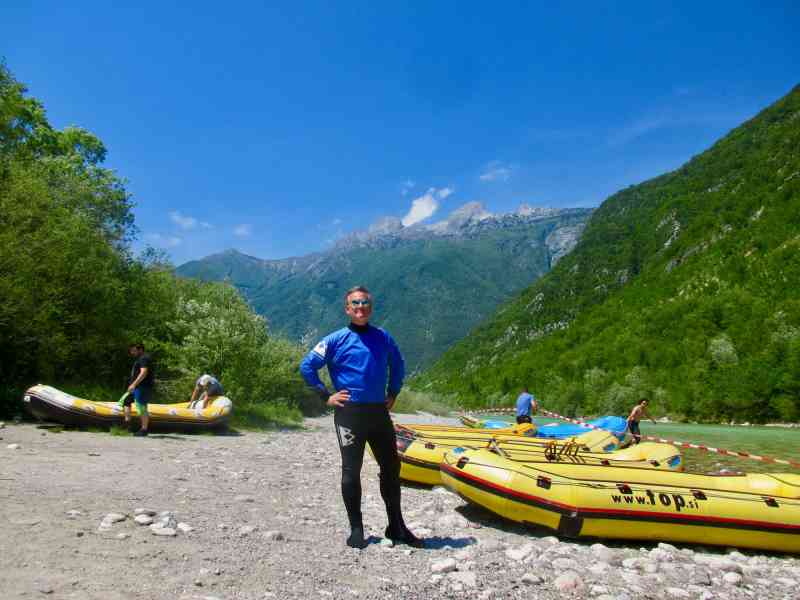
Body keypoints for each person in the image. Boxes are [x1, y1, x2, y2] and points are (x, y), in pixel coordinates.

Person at [300, 286, 423, 550]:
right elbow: (307, 366)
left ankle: (396, 526)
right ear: (347, 308)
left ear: (370, 306)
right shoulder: (335, 339)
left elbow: (398, 363)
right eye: (355, 303)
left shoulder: (383, 337)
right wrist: (325, 396)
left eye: (365, 302)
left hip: (379, 412)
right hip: (350, 414)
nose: (360, 307)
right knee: (350, 471)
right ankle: (357, 529)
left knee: (391, 469)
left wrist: (394, 391)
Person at [125, 343, 154, 436]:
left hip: (142, 387)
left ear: (140, 350)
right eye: (131, 351)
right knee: (127, 401)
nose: (132, 352)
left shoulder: (144, 358)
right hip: (137, 387)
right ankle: (128, 426)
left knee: (142, 406)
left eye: (134, 350)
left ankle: (144, 430)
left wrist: (133, 384)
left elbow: (144, 372)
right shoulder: (140, 359)